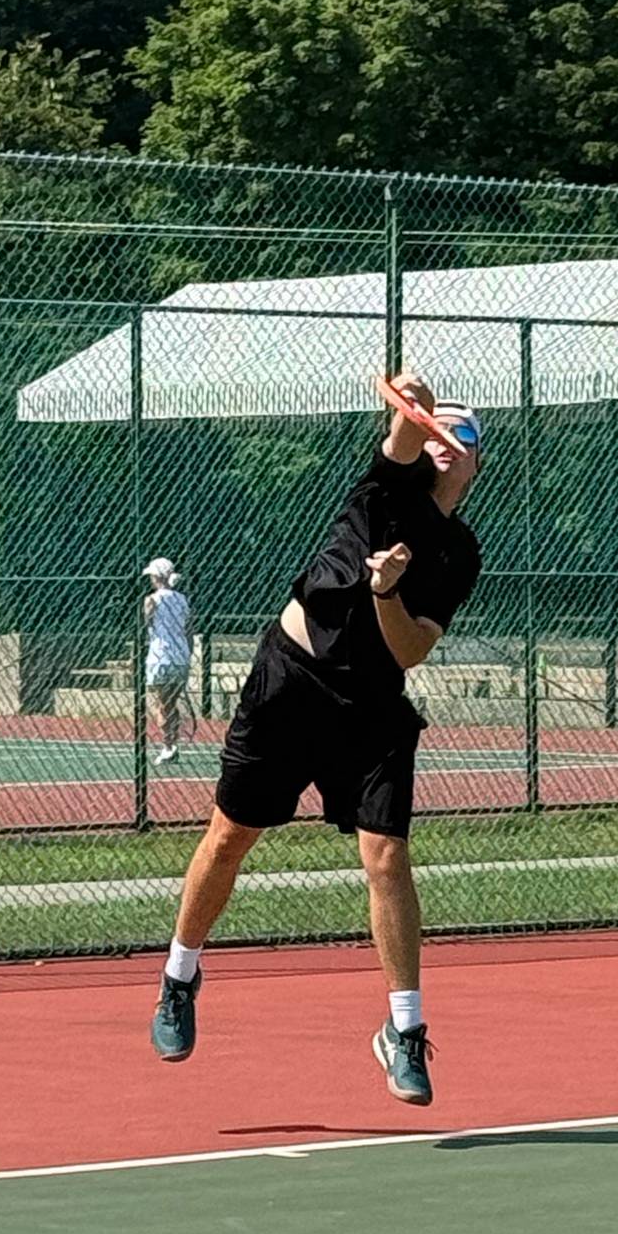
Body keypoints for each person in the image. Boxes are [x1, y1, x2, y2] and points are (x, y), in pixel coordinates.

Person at [150, 374, 483, 1106]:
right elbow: (398, 438)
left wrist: (387, 592)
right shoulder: (382, 494)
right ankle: (179, 976)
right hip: (289, 683)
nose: (447, 446)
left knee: (387, 855)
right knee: (229, 838)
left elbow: (410, 651)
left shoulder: (458, 554)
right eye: (438, 435)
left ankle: (404, 1030)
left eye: (462, 438)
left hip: (371, 706)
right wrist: (413, 402)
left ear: (473, 462)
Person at [141, 557, 193, 764]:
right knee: (170, 703)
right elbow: (188, 629)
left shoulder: (151, 600)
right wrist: (187, 653)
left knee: (158, 703)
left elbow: (145, 622)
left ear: (157, 577)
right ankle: (171, 743)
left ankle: (168, 745)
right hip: (180, 657)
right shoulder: (182, 600)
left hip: (160, 657)